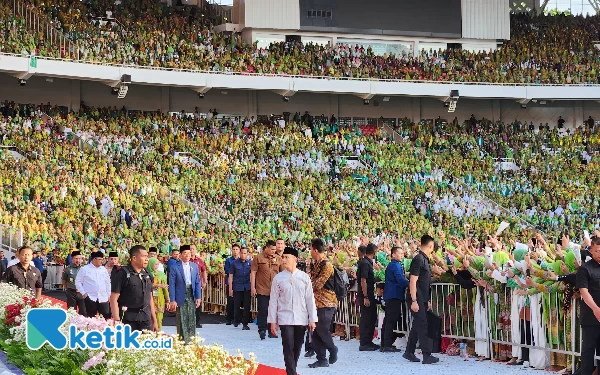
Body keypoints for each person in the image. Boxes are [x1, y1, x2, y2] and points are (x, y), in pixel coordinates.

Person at [268, 247, 317, 375]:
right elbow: (273, 301)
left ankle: (291, 370)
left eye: (286, 257)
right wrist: (272, 321)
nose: (283, 260)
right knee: (288, 346)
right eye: (283, 257)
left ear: (295, 259)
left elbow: (310, 300)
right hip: (285, 318)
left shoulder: (304, 277)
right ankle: (292, 373)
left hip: (301, 318)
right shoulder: (278, 278)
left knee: (297, 348)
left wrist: (312, 319)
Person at [404, 234, 439, 364]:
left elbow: (424, 282)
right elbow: (413, 281)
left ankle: (409, 352)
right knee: (423, 325)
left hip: (422, 298)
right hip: (416, 297)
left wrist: (426, 300)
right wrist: (414, 300)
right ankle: (426, 355)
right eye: (432, 248)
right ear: (430, 246)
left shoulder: (424, 259)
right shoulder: (418, 259)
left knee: (417, 325)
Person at [110, 245, 158, 331]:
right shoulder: (122, 273)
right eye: (144, 256)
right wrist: (117, 321)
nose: (147, 259)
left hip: (145, 318)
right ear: (134, 258)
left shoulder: (147, 274)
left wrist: (154, 320)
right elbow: (113, 299)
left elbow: (150, 298)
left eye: (147, 256)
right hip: (128, 319)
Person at [308, 238, 338, 368]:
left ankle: (332, 349)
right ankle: (321, 359)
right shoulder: (316, 264)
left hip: (327, 303)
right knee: (315, 332)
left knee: (322, 329)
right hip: (316, 303)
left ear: (315, 249)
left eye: (311, 249)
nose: (310, 252)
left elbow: (318, 284)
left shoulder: (327, 265)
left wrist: (307, 284)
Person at [168, 244, 202, 344]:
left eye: (189, 253)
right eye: (185, 253)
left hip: (191, 292)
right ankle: (182, 339)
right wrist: (172, 300)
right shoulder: (175, 267)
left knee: (192, 316)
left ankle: (192, 339)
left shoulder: (194, 266)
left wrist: (198, 297)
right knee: (181, 317)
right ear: (181, 255)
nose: (187, 255)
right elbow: (172, 284)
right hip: (180, 294)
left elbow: (197, 282)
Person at [577, 236, 600, 375]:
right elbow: (584, 292)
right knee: (588, 352)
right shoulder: (585, 269)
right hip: (590, 318)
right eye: (597, 251)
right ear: (591, 250)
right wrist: (596, 309)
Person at [251, 240, 282, 339]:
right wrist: (253, 287)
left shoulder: (278, 259)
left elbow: (282, 274)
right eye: (272, 249)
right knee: (263, 309)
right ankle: (262, 330)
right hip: (262, 288)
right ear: (266, 248)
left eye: (275, 249)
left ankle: (271, 331)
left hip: (275, 290)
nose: (274, 251)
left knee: (273, 310)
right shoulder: (258, 258)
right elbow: (253, 273)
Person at [381, 246, 409, 352]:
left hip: (391, 295)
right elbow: (400, 280)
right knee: (391, 320)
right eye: (399, 253)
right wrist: (411, 283)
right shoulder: (395, 266)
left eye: (402, 253)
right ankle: (387, 344)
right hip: (394, 295)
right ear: (393, 255)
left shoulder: (393, 265)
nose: (402, 255)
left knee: (388, 320)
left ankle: (385, 343)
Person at [76, 251, 111, 319]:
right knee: (90, 317)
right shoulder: (85, 269)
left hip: (103, 297)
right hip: (90, 297)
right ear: (94, 259)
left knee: (106, 316)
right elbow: (78, 282)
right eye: (100, 259)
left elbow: (107, 282)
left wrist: (108, 295)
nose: (102, 261)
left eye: (102, 259)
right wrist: (84, 293)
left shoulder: (103, 269)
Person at [358, 243, 378, 351]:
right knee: (366, 318)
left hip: (369, 294)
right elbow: (363, 280)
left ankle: (369, 342)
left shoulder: (367, 262)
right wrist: (365, 296)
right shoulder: (365, 263)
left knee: (371, 318)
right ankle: (364, 343)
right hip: (366, 295)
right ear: (374, 253)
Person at [230, 247, 252, 330]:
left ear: (247, 254)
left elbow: (252, 275)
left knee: (247, 306)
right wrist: (230, 288)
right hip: (237, 287)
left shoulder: (250, 263)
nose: (243, 255)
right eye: (242, 253)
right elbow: (231, 276)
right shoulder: (234, 263)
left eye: (245, 253)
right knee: (237, 305)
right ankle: (236, 320)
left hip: (247, 287)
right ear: (240, 253)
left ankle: (245, 324)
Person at [61, 250, 87, 316]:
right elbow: (64, 281)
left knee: (84, 312)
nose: (78, 260)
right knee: (72, 312)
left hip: (82, 293)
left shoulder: (84, 269)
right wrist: (68, 289)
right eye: (76, 258)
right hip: (71, 292)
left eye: (79, 258)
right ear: (72, 259)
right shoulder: (68, 269)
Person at [147, 257, 169, 331]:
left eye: (157, 265)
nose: (156, 266)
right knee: (149, 319)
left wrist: (167, 300)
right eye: (155, 264)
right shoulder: (146, 274)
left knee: (159, 319)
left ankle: (158, 335)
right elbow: (146, 286)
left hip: (160, 299)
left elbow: (165, 288)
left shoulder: (161, 274)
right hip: (149, 299)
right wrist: (157, 285)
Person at [190, 243, 208, 328]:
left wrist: (205, 281)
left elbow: (203, 270)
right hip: (188, 285)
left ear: (196, 250)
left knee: (197, 303)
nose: (192, 250)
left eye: (193, 249)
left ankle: (197, 321)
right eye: (190, 249)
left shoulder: (199, 260)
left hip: (198, 285)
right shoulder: (185, 260)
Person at [224, 244, 241, 325]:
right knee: (230, 301)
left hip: (239, 283)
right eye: (233, 249)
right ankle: (229, 318)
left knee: (238, 302)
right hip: (230, 283)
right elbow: (227, 270)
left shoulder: (242, 260)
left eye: (236, 249)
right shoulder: (228, 260)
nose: (235, 251)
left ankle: (236, 319)